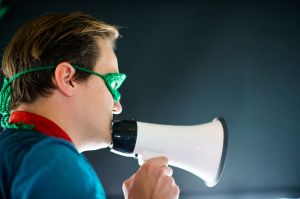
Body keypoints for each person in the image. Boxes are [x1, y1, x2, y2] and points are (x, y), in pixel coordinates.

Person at [0, 12, 180, 199]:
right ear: (67, 78)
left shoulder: (13, 152)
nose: (117, 106)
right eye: (112, 84)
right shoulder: (53, 160)